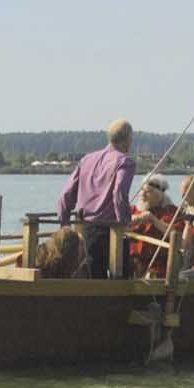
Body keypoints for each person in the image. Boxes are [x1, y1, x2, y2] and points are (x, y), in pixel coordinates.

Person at [58, 118, 136, 278]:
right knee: (120, 279)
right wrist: (124, 223)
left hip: (83, 229)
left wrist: (64, 225)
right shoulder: (124, 162)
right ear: (128, 139)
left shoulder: (87, 159)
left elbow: (66, 195)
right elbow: (119, 193)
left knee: (90, 278)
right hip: (109, 231)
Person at [127, 177, 179, 277]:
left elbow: (175, 233)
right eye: (141, 190)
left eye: (148, 191)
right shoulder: (132, 210)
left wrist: (154, 220)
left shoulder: (170, 211)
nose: (142, 194)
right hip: (132, 264)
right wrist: (130, 221)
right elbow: (118, 226)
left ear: (159, 194)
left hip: (156, 265)